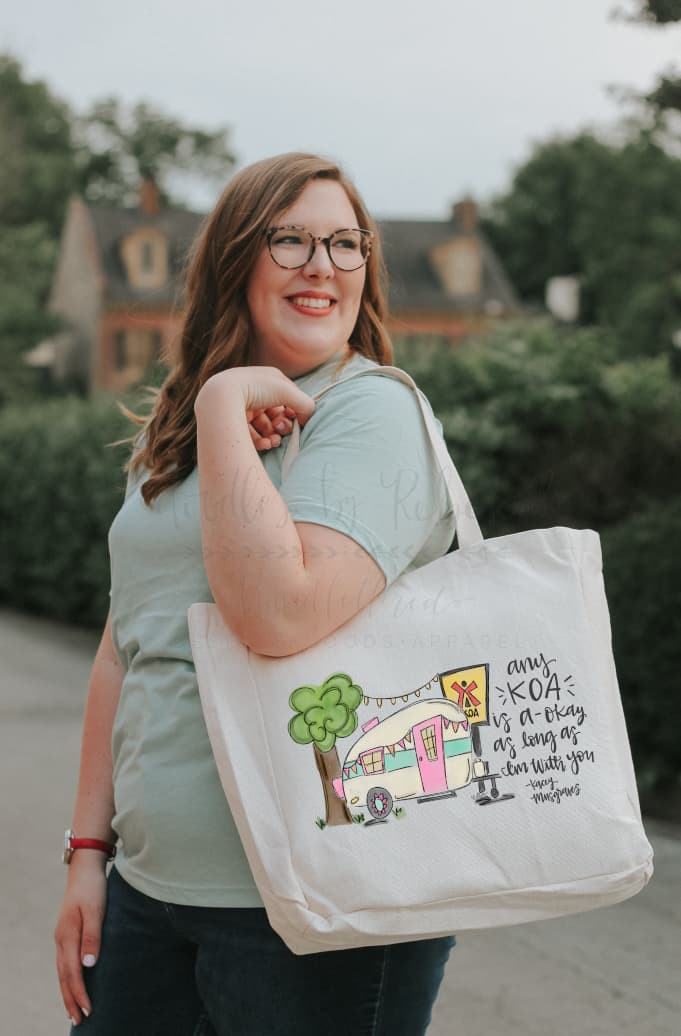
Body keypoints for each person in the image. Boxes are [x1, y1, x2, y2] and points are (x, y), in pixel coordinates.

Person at [55, 152, 457, 1035]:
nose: (322, 265)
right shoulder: (176, 432)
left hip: (318, 904)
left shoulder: (371, 411)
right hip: (150, 893)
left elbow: (277, 615)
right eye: (290, 240)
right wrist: (88, 854)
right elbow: (126, 646)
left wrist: (221, 403)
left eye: (345, 243)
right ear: (235, 259)